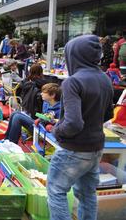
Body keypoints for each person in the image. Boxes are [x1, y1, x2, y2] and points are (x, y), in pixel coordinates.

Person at [47, 35, 113, 220]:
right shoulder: (105, 79)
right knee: (87, 194)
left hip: (74, 149)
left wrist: (57, 130)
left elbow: (74, 123)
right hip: (96, 148)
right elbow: (108, 115)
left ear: (73, 56)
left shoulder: (72, 82)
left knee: (56, 191)